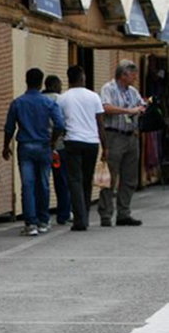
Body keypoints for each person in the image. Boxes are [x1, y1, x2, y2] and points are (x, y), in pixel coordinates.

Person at [3, 68, 65, 236]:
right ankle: (44, 220)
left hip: (25, 147)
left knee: (28, 185)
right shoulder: (48, 102)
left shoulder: (18, 103)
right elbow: (59, 124)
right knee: (43, 184)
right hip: (44, 146)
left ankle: (31, 223)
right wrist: (53, 141)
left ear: (26, 81)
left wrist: (5, 145)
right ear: (40, 83)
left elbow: (9, 127)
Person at [57, 65, 108, 232]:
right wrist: (105, 147)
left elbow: (59, 123)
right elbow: (100, 124)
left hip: (72, 141)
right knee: (86, 180)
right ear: (82, 78)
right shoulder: (94, 97)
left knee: (75, 180)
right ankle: (84, 214)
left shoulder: (63, 99)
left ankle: (80, 219)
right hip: (92, 143)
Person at [98, 59, 146, 227]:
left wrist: (142, 108)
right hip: (114, 135)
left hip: (131, 136)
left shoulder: (132, 91)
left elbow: (141, 104)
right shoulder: (108, 88)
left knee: (129, 178)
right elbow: (105, 107)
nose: (135, 78)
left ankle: (124, 213)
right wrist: (128, 111)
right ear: (123, 75)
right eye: (133, 74)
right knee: (110, 177)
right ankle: (105, 215)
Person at [43, 75, 71, 225]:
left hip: (41, 145)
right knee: (62, 181)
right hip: (59, 146)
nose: (61, 87)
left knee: (42, 181)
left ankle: (41, 215)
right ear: (54, 85)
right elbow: (63, 123)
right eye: (60, 85)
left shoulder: (39, 100)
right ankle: (63, 214)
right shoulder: (60, 99)